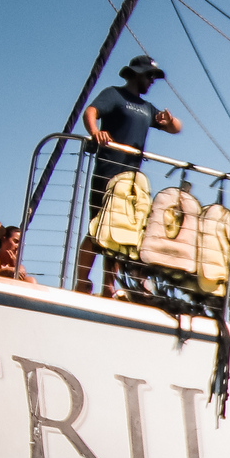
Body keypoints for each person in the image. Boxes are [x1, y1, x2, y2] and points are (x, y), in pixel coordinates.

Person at [74, 55, 182, 295]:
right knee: (98, 227)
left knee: (119, 233)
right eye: (149, 76)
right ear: (137, 73)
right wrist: (95, 132)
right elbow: (91, 111)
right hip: (108, 171)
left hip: (131, 180)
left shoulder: (147, 108)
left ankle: (108, 286)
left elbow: (176, 129)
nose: (152, 81)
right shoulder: (114, 94)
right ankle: (81, 280)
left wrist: (169, 120)